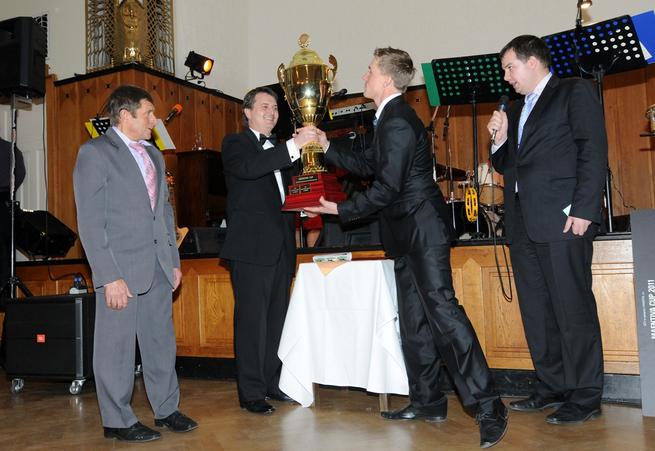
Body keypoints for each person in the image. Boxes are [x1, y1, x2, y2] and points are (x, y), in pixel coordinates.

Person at [306, 47, 508, 449]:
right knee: (414, 323)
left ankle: (489, 406)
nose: (363, 76)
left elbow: (386, 188)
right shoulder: (388, 118)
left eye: (369, 70)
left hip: (422, 229)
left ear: (385, 79)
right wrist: (326, 145)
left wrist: (340, 209)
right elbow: (368, 164)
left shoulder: (397, 120)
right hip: (406, 233)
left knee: (444, 316)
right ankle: (428, 400)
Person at [486, 35, 607, 425]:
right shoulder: (516, 108)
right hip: (523, 221)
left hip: (564, 218)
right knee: (537, 310)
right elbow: (507, 165)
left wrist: (585, 208)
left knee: (572, 308)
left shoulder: (573, 92)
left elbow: (592, 149)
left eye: (510, 68)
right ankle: (551, 385)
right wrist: (500, 139)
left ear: (533, 61)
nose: (507, 77)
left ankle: (585, 394)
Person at [73, 85, 197, 442]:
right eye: (148, 113)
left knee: (161, 342)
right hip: (119, 270)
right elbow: (90, 223)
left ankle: (167, 408)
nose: (154, 120)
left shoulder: (154, 155)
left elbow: (165, 212)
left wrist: (172, 260)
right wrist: (107, 275)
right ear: (125, 115)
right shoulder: (95, 153)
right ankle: (117, 419)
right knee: (116, 348)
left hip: (157, 265)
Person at [219, 86, 319, 415]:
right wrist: (293, 146)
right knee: (252, 323)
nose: (271, 112)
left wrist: (305, 206)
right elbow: (251, 169)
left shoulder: (280, 150)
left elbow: (286, 195)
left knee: (277, 321)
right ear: (247, 112)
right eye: (264, 106)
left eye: (275, 108)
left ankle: (272, 383)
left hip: (281, 248)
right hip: (250, 248)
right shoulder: (235, 144)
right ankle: (250, 393)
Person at [0, 137, 26, 299]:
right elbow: (20, 174)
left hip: (3, 203)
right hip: (6, 204)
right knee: (5, 256)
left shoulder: (9, 149)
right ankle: (6, 300)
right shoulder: (11, 149)